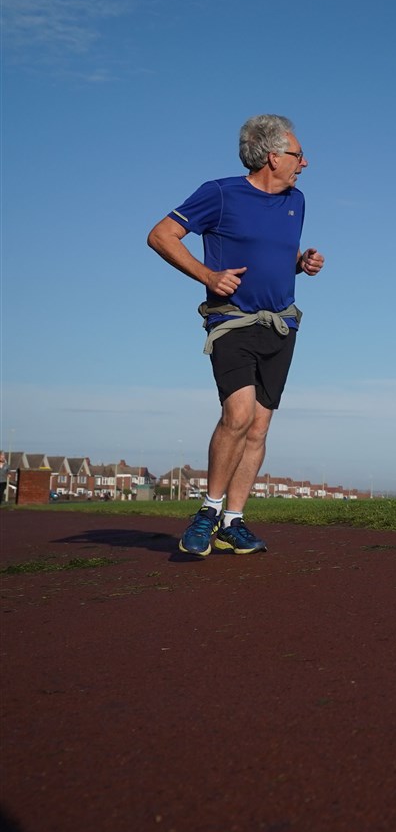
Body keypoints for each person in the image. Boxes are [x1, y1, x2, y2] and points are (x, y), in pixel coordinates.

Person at [146, 114, 324, 556]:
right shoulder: (220, 193)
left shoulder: (296, 201)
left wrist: (302, 263)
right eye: (298, 155)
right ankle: (207, 512)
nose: (305, 162)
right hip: (232, 321)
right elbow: (161, 235)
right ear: (272, 156)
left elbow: (272, 252)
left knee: (259, 427)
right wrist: (208, 274)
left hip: (283, 323)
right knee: (238, 415)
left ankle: (233, 521)